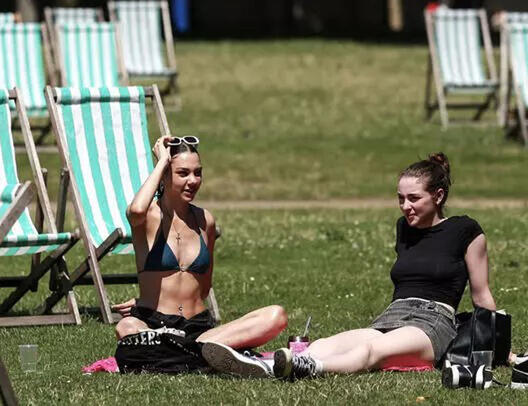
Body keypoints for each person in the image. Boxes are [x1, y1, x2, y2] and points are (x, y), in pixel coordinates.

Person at [204, 152, 499, 379]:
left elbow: (481, 294)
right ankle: (266, 366)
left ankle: (310, 368)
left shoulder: (465, 230)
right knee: (323, 344)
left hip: (433, 323)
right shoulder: (404, 228)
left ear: (438, 196)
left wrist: (498, 345)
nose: (405, 207)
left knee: (371, 351)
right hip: (392, 316)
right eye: (400, 199)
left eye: (414, 199)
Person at [113, 135, 287, 375]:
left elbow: (204, 289)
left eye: (198, 173)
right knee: (127, 327)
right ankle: (209, 355)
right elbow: (136, 209)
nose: (193, 181)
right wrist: (162, 160)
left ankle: (187, 353)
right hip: (155, 324)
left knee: (276, 316)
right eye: (183, 173)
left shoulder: (205, 220)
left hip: (199, 328)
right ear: (164, 175)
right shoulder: (149, 217)